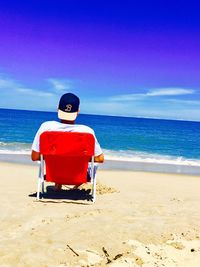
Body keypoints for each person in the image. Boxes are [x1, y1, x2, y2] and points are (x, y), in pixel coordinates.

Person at [31, 92, 104, 190]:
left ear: (58, 109)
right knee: (85, 163)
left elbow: (34, 156)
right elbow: (100, 158)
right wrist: (77, 158)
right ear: (77, 111)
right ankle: (74, 183)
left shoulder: (46, 127)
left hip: (53, 174)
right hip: (78, 175)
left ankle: (58, 183)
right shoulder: (87, 131)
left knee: (57, 159)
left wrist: (57, 157)